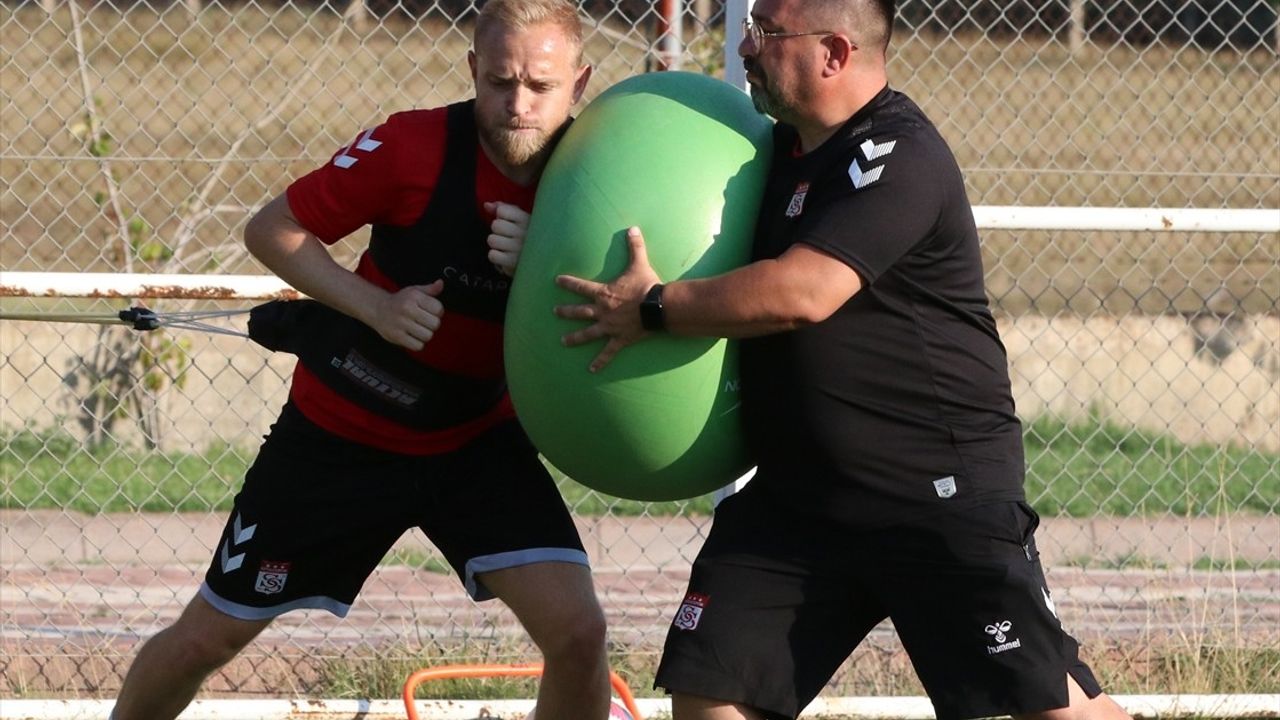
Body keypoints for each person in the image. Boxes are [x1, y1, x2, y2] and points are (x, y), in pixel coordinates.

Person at [553, 1, 1134, 719]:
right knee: (712, 692)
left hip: (931, 496)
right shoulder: (772, 155)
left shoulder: (898, 155)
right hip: (800, 501)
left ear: (833, 52)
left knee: (1047, 706)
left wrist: (653, 307)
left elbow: (805, 292)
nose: (746, 47)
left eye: (767, 32)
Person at [108, 2, 611, 718]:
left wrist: (550, 252)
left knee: (579, 632)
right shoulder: (412, 146)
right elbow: (273, 229)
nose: (518, 105)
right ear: (473, 70)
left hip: (474, 440)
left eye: (541, 86)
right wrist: (375, 307)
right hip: (341, 437)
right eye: (500, 82)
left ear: (580, 81)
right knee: (206, 640)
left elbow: (627, 292)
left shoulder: (596, 172)